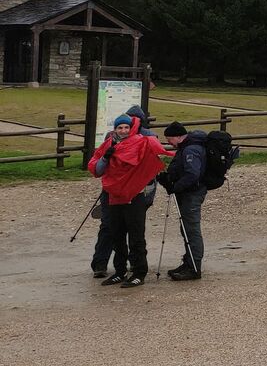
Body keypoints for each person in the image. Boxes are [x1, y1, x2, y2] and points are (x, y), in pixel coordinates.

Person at [86, 114, 168, 288]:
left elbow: (152, 158)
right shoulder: (109, 145)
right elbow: (98, 170)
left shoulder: (140, 142)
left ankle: (139, 272)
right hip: (114, 196)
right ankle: (120, 271)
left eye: (126, 128)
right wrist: (106, 157)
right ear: (115, 129)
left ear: (131, 128)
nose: (123, 131)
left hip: (134, 195)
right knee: (117, 235)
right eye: (119, 128)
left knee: (136, 236)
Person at [157, 123, 208, 281]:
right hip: (188, 193)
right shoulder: (188, 147)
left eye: (170, 139)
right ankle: (188, 262)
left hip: (191, 194)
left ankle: (194, 267)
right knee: (186, 228)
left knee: (191, 230)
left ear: (178, 136)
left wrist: (175, 186)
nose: (169, 143)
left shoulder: (190, 149)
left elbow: (192, 175)